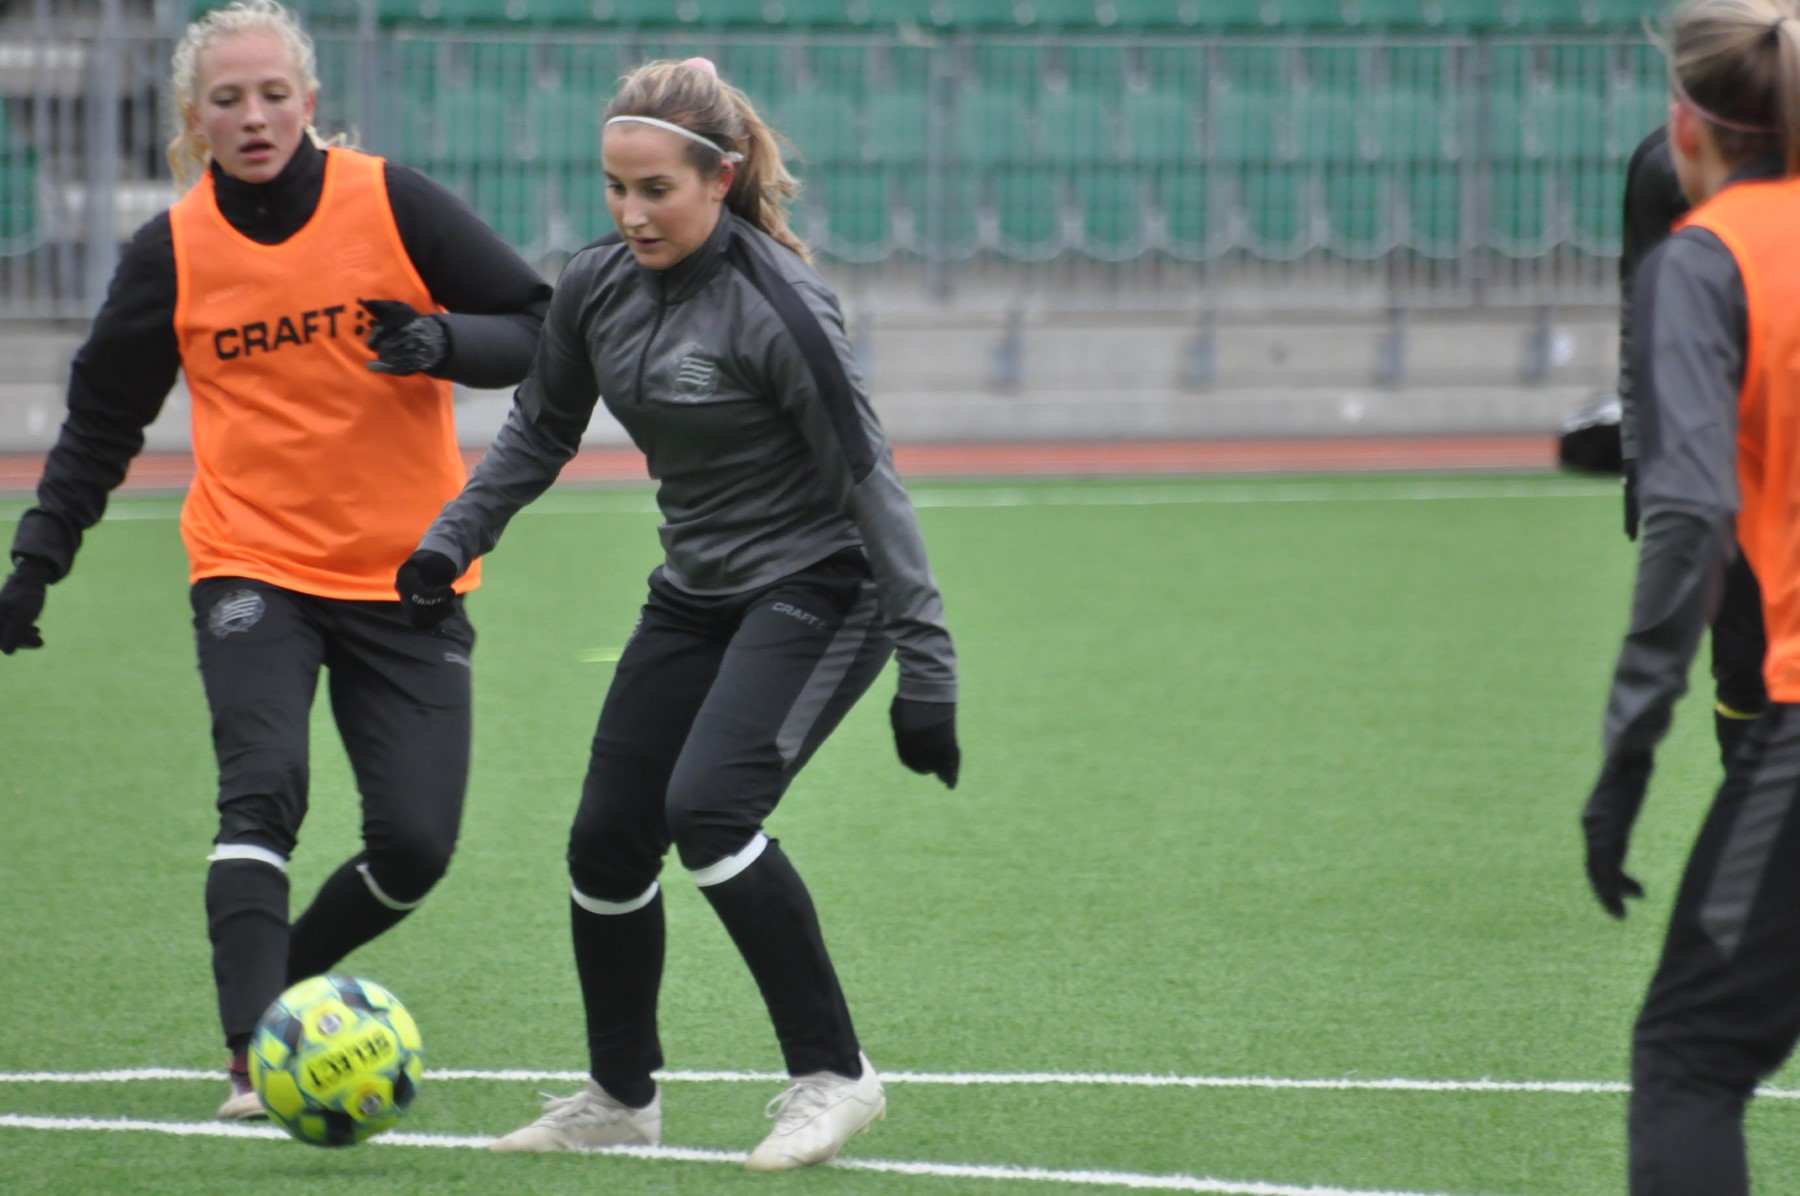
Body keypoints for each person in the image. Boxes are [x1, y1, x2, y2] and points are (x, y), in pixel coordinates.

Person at [395, 57, 960, 1171]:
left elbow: (870, 484)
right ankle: (619, 1095)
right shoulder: (596, 284)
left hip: (823, 583)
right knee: (607, 837)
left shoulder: (781, 306)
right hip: (696, 590)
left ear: (720, 178)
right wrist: (452, 539)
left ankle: (837, 1075)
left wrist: (927, 669)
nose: (631, 213)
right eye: (616, 188)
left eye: (656, 189)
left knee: (709, 808)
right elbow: (540, 426)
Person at [0, 0, 550, 1120]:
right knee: (262, 790)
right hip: (251, 563)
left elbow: (536, 326)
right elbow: (101, 422)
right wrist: (35, 562)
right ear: (192, 118)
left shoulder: (393, 202)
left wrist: (442, 340)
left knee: (415, 844)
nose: (252, 116)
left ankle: (279, 980)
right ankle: (254, 1051)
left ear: (309, 101)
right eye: (227, 99)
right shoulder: (172, 251)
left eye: (272, 94)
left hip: (408, 571)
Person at [1580, 1, 1800, 1190]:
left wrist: (1626, 758)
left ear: (1686, 125)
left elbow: (1690, 515)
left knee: (1688, 1057)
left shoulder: (1710, 258)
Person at [1618, 124, 1769, 769]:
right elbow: (1644, 316)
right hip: (1728, 459)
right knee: (1744, 666)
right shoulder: (1667, 164)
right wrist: (1638, 449)